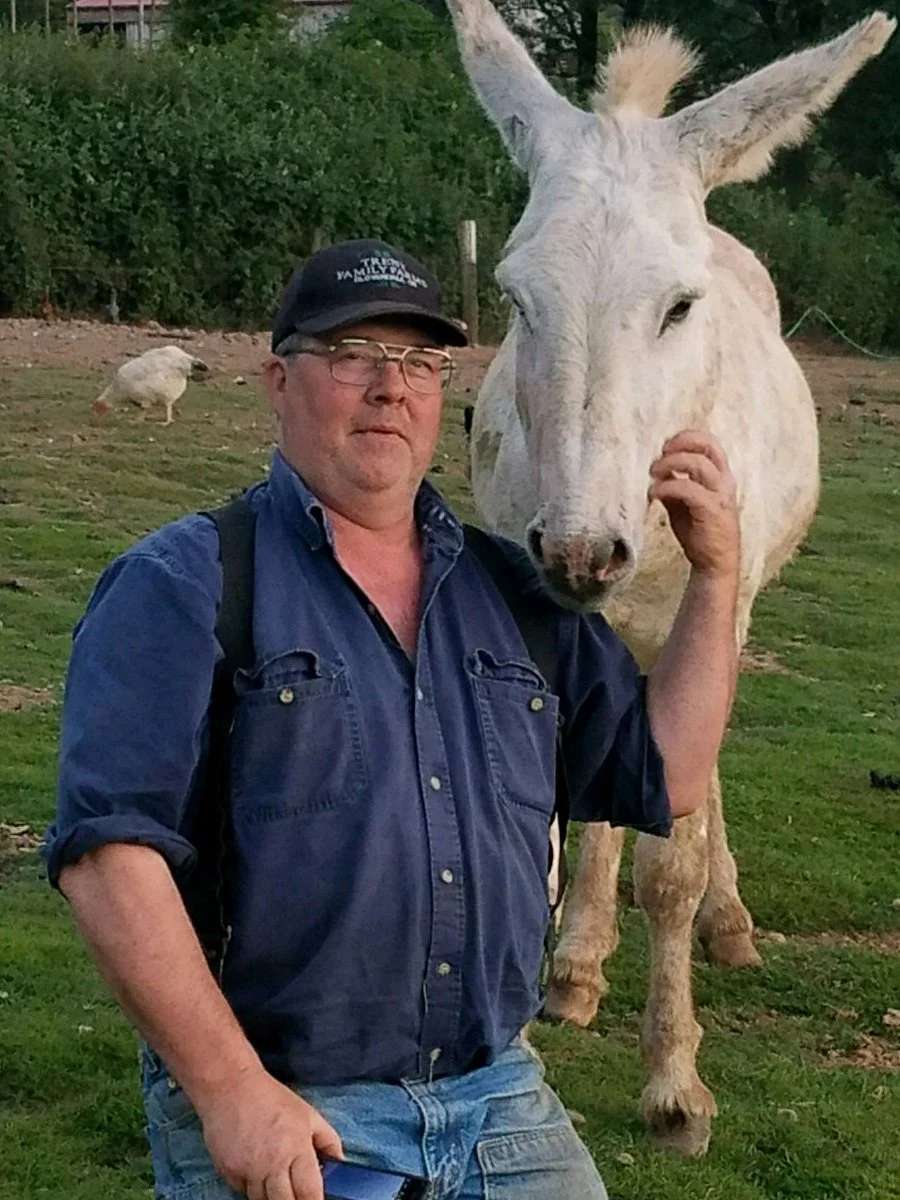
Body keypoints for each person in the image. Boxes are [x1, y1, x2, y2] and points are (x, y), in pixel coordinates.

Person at [45, 239, 741, 1200]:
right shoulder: (184, 583)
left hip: (495, 1096)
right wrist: (232, 1089)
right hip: (294, 1109)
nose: (390, 387)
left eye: (418, 362)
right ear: (279, 381)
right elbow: (106, 857)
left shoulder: (515, 595)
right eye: (353, 354)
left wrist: (717, 577)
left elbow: (670, 774)